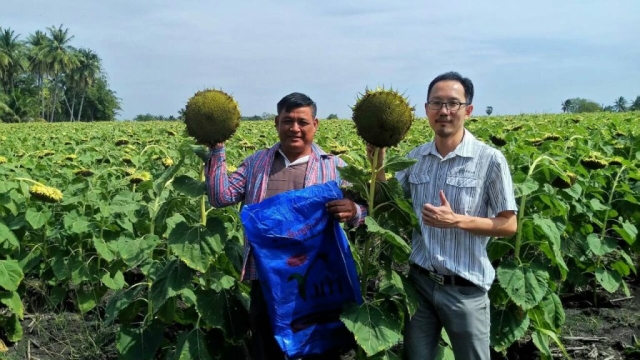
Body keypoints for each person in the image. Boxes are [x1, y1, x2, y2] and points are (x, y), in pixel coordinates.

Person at [204, 92, 366, 360]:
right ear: (276, 123)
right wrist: (216, 146)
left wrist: (353, 211)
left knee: (319, 348)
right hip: (267, 277)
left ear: (315, 124)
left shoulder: (335, 167)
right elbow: (221, 197)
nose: (294, 129)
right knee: (267, 347)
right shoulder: (256, 163)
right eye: (287, 121)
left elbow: (364, 210)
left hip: (317, 279)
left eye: (302, 122)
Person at [368, 71, 518, 360]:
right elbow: (387, 201)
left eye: (453, 104)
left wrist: (457, 220)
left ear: (468, 110)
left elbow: (508, 224)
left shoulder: (489, 160)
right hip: (420, 285)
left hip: (465, 287)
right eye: (436, 104)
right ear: (426, 110)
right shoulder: (416, 158)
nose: (444, 111)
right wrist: (378, 163)